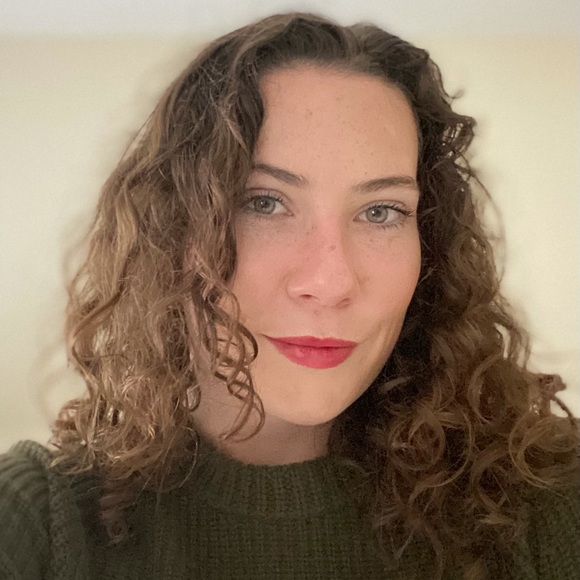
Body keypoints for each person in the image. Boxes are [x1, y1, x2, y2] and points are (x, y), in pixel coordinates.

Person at [0, 12, 578, 580]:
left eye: (381, 212)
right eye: (264, 203)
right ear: (170, 230)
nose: (331, 282)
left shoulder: (547, 502)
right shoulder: (39, 523)